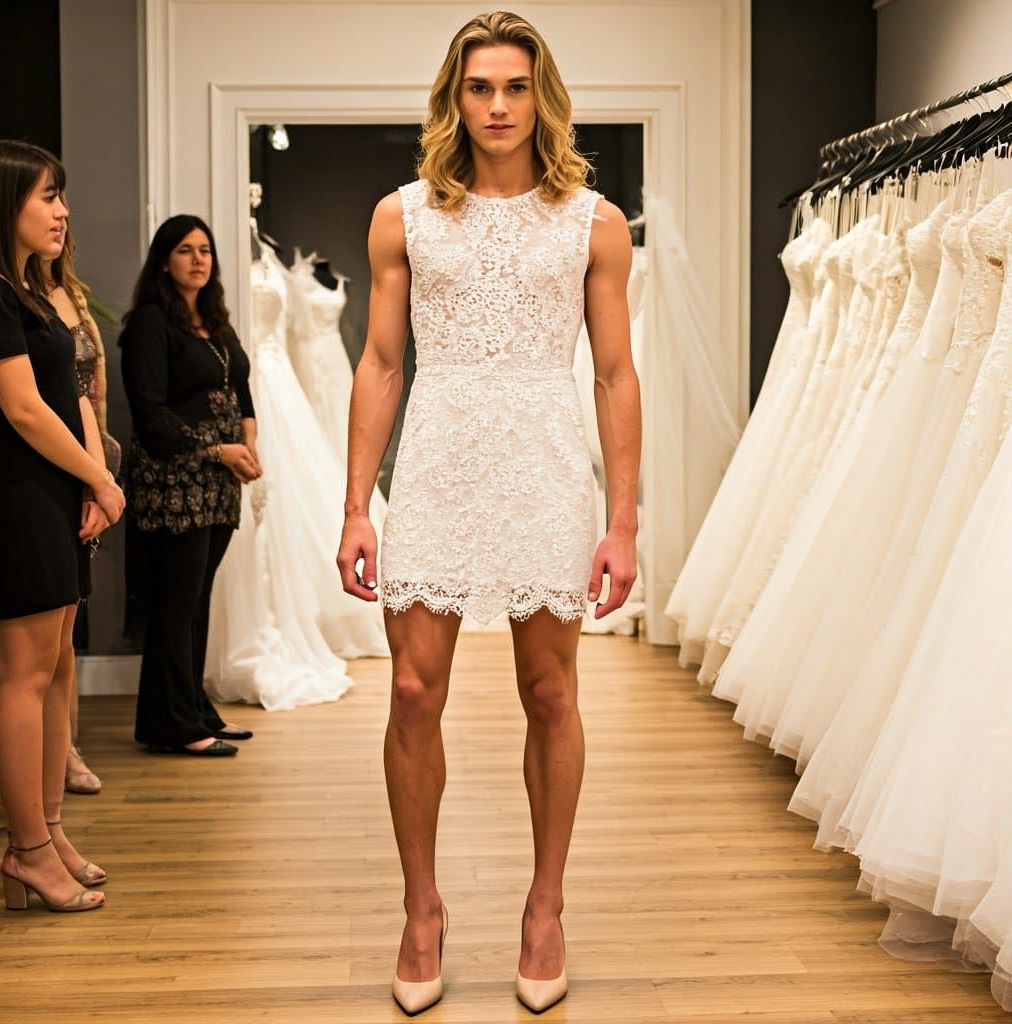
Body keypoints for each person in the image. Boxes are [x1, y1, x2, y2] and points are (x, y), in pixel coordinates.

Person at [337, 11, 641, 1014]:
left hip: (549, 466)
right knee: (414, 692)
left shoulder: (593, 222)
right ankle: (420, 910)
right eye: (480, 88)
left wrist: (623, 520)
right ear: (454, 98)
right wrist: (355, 506)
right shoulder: (404, 216)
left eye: (515, 87)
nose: (498, 106)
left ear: (540, 97)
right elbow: (381, 362)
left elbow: (611, 371)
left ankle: (543, 907)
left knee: (550, 695)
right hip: (434, 461)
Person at [0, 139, 125, 912]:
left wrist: (90, 482)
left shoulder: (35, 292)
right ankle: (27, 850)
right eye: (47, 196)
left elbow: (72, 391)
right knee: (25, 672)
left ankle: (50, 832)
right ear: (7, 203)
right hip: (14, 498)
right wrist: (99, 477)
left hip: (55, 492)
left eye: (62, 196)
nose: (63, 211)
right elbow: (22, 407)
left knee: (57, 664)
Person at [120, 214, 261, 757]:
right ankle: (172, 724)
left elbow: (241, 389)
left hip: (219, 482)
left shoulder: (215, 322)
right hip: (174, 481)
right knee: (175, 603)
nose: (198, 259)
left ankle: (193, 710)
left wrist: (249, 441)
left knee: (196, 600)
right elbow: (150, 413)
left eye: (205, 250)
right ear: (164, 259)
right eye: (185, 250)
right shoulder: (151, 323)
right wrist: (219, 449)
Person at [44, 224, 122, 796]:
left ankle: (65, 745)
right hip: (49, 469)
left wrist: (101, 475)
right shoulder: (13, 301)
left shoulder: (74, 293)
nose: (63, 215)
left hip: (91, 465)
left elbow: (92, 393)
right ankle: (55, 756)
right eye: (48, 199)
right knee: (43, 639)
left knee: (69, 628)